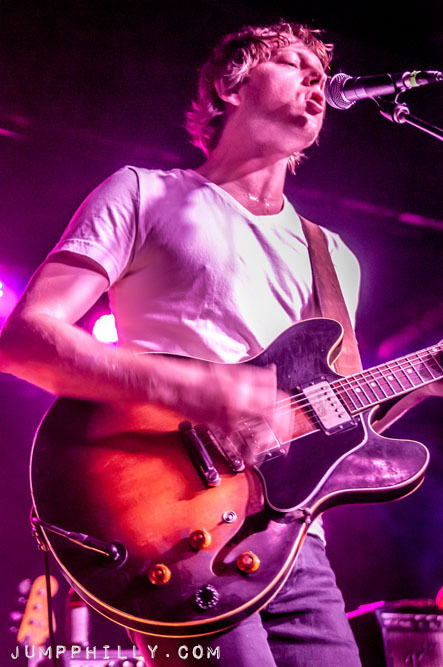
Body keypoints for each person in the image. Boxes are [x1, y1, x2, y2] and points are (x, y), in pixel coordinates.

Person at [0, 19, 440, 667]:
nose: (317, 86)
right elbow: (27, 340)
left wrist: (424, 380)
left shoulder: (334, 257)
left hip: (295, 541)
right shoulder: (144, 193)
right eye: (294, 66)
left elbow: (339, 419)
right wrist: (202, 387)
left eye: (321, 77)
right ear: (230, 87)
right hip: (172, 527)